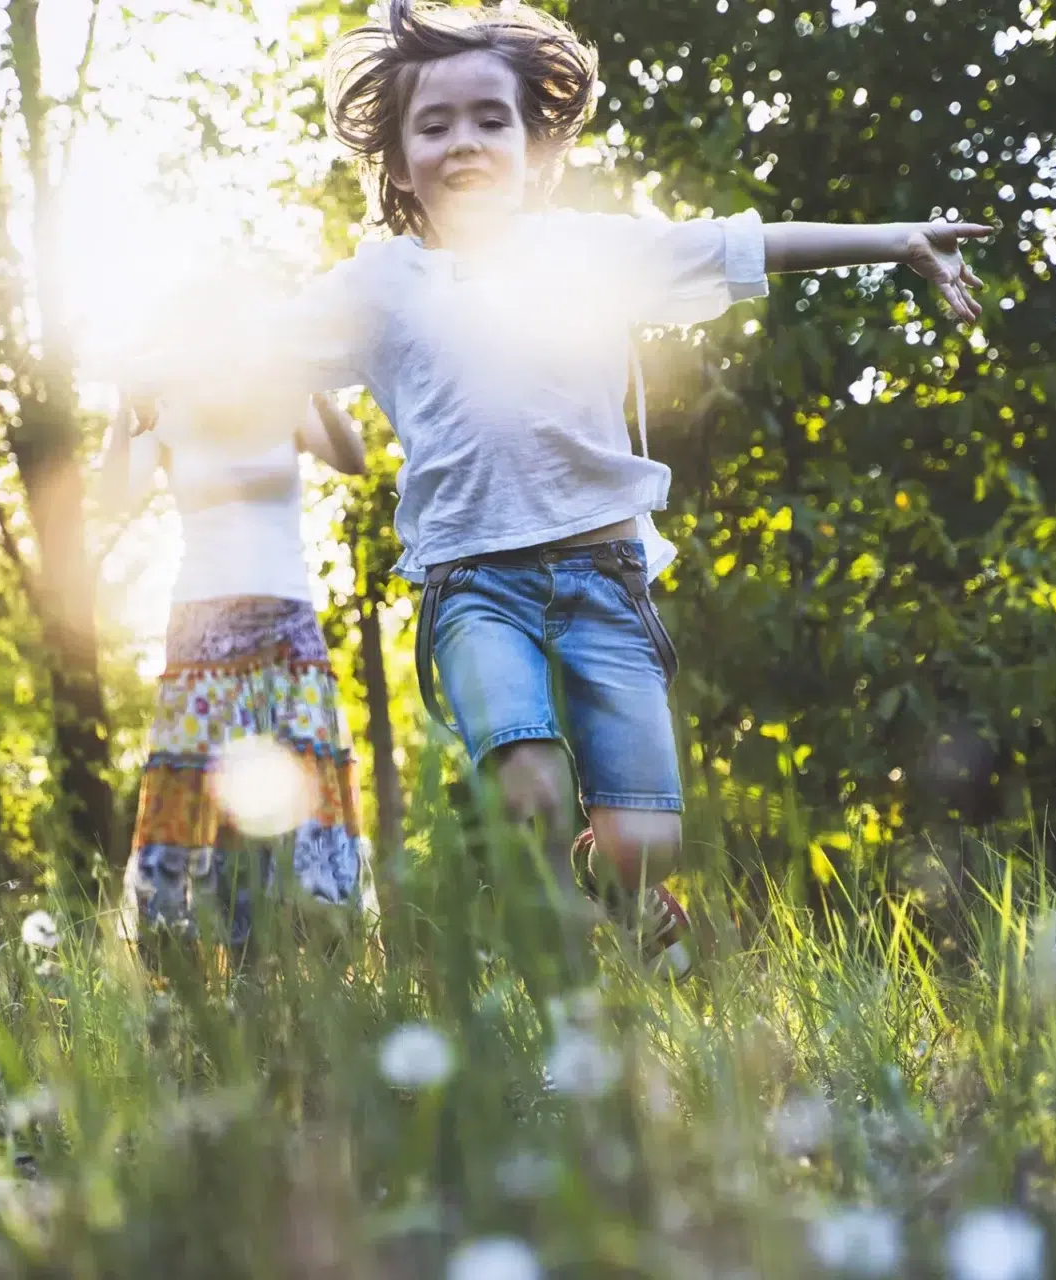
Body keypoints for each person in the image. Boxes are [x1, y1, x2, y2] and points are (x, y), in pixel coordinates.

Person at [129, 0, 992, 962]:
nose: (465, 142)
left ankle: (617, 901)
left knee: (647, 845)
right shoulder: (377, 288)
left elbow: (745, 245)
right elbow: (248, 343)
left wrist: (898, 238)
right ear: (399, 156)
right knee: (530, 787)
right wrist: (150, 365)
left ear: (536, 144)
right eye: (435, 124)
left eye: (490, 119)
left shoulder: (592, 254)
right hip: (474, 584)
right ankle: (552, 964)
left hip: (604, 577)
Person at [101, 388, 370, 954]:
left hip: (288, 623)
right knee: (213, 802)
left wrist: (312, 385)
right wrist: (123, 411)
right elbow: (113, 499)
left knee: (297, 795)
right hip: (203, 627)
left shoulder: (284, 396)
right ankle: (232, 983)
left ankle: (309, 970)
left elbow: (353, 458)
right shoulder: (165, 407)